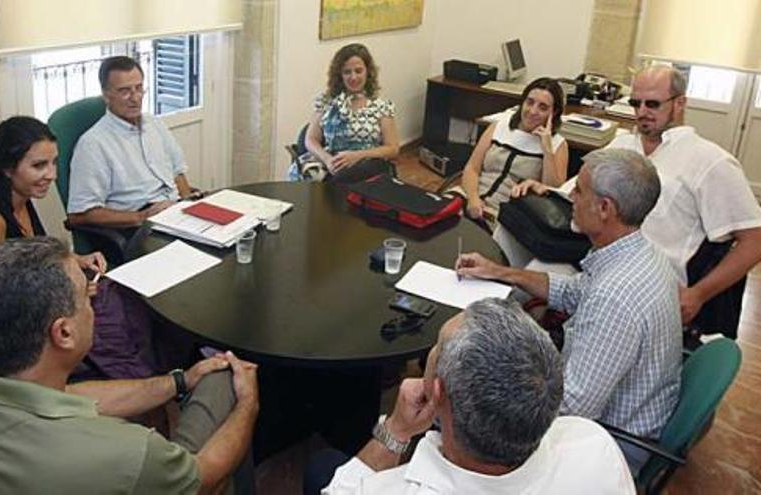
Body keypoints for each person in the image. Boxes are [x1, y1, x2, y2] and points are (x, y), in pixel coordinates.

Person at [0, 237, 259, 494]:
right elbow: (204, 476)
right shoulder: (126, 454)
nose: (95, 305)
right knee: (224, 382)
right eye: (86, 296)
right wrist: (247, 405)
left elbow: (69, 396)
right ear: (63, 332)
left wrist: (178, 382)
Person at [457, 148, 682, 474]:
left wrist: (493, 403)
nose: (570, 196)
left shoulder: (615, 300)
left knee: (468, 417)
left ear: (605, 208)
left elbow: (574, 409)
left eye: (579, 190)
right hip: (634, 409)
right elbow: (573, 291)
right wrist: (501, 272)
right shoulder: (640, 254)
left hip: (611, 442)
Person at [495, 66, 761, 330]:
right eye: (636, 103)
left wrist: (698, 294)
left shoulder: (709, 162)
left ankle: (502, 344)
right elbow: (576, 192)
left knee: (525, 289)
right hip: (591, 259)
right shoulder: (623, 145)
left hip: (642, 285)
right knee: (508, 234)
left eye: (653, 104)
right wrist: (545, 190)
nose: (642, 112)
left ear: (680, 103)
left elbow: (755, 239)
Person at [311, 298, 634, 494]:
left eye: (435, 349)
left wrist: (396, 430)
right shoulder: (593, 443)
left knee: (321, 468)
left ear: (437, 392)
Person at [0, 116, 156, 380]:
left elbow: (28, 262)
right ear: (8, 168)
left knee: (132, 302)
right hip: (21, 336)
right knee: (119, 331)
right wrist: (69, 291)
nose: (52, 175)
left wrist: (74, 260)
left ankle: (149, 384)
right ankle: (147, 388)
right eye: (39, 165)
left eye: (54, 163)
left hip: (41, 309)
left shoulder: (20, 199)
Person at [68, 56, 198, 230]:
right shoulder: (93, 144)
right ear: (106, 96)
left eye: (139, 88)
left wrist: (189, 207)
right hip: (136, 224)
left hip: (174, 212)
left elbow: (177, 173)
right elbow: (79, 215)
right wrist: (142, 217)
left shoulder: (154, 124)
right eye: (125, 91)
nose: (135, 98)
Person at [458, 77, 569, 221]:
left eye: (543, 107)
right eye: (529, 102)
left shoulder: (558, 144)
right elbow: (472, 168)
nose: (533, 111)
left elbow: (552, 191)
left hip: (504, 213)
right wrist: (473, 199)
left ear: (553, 113)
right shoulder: (499, 127)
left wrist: (547, 149)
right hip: (470, 195)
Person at [296, 43, 400, 182]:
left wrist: (357, 156)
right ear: (340, 75)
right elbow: (310, 139)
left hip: (368, 164)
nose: (353, 77)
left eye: (358, 71)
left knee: (341, 179)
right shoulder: (326, 101)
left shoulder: (382, 106)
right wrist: (328, 160)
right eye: (347, 72)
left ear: (368, 72)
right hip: (332, 163)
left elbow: (392, 148)